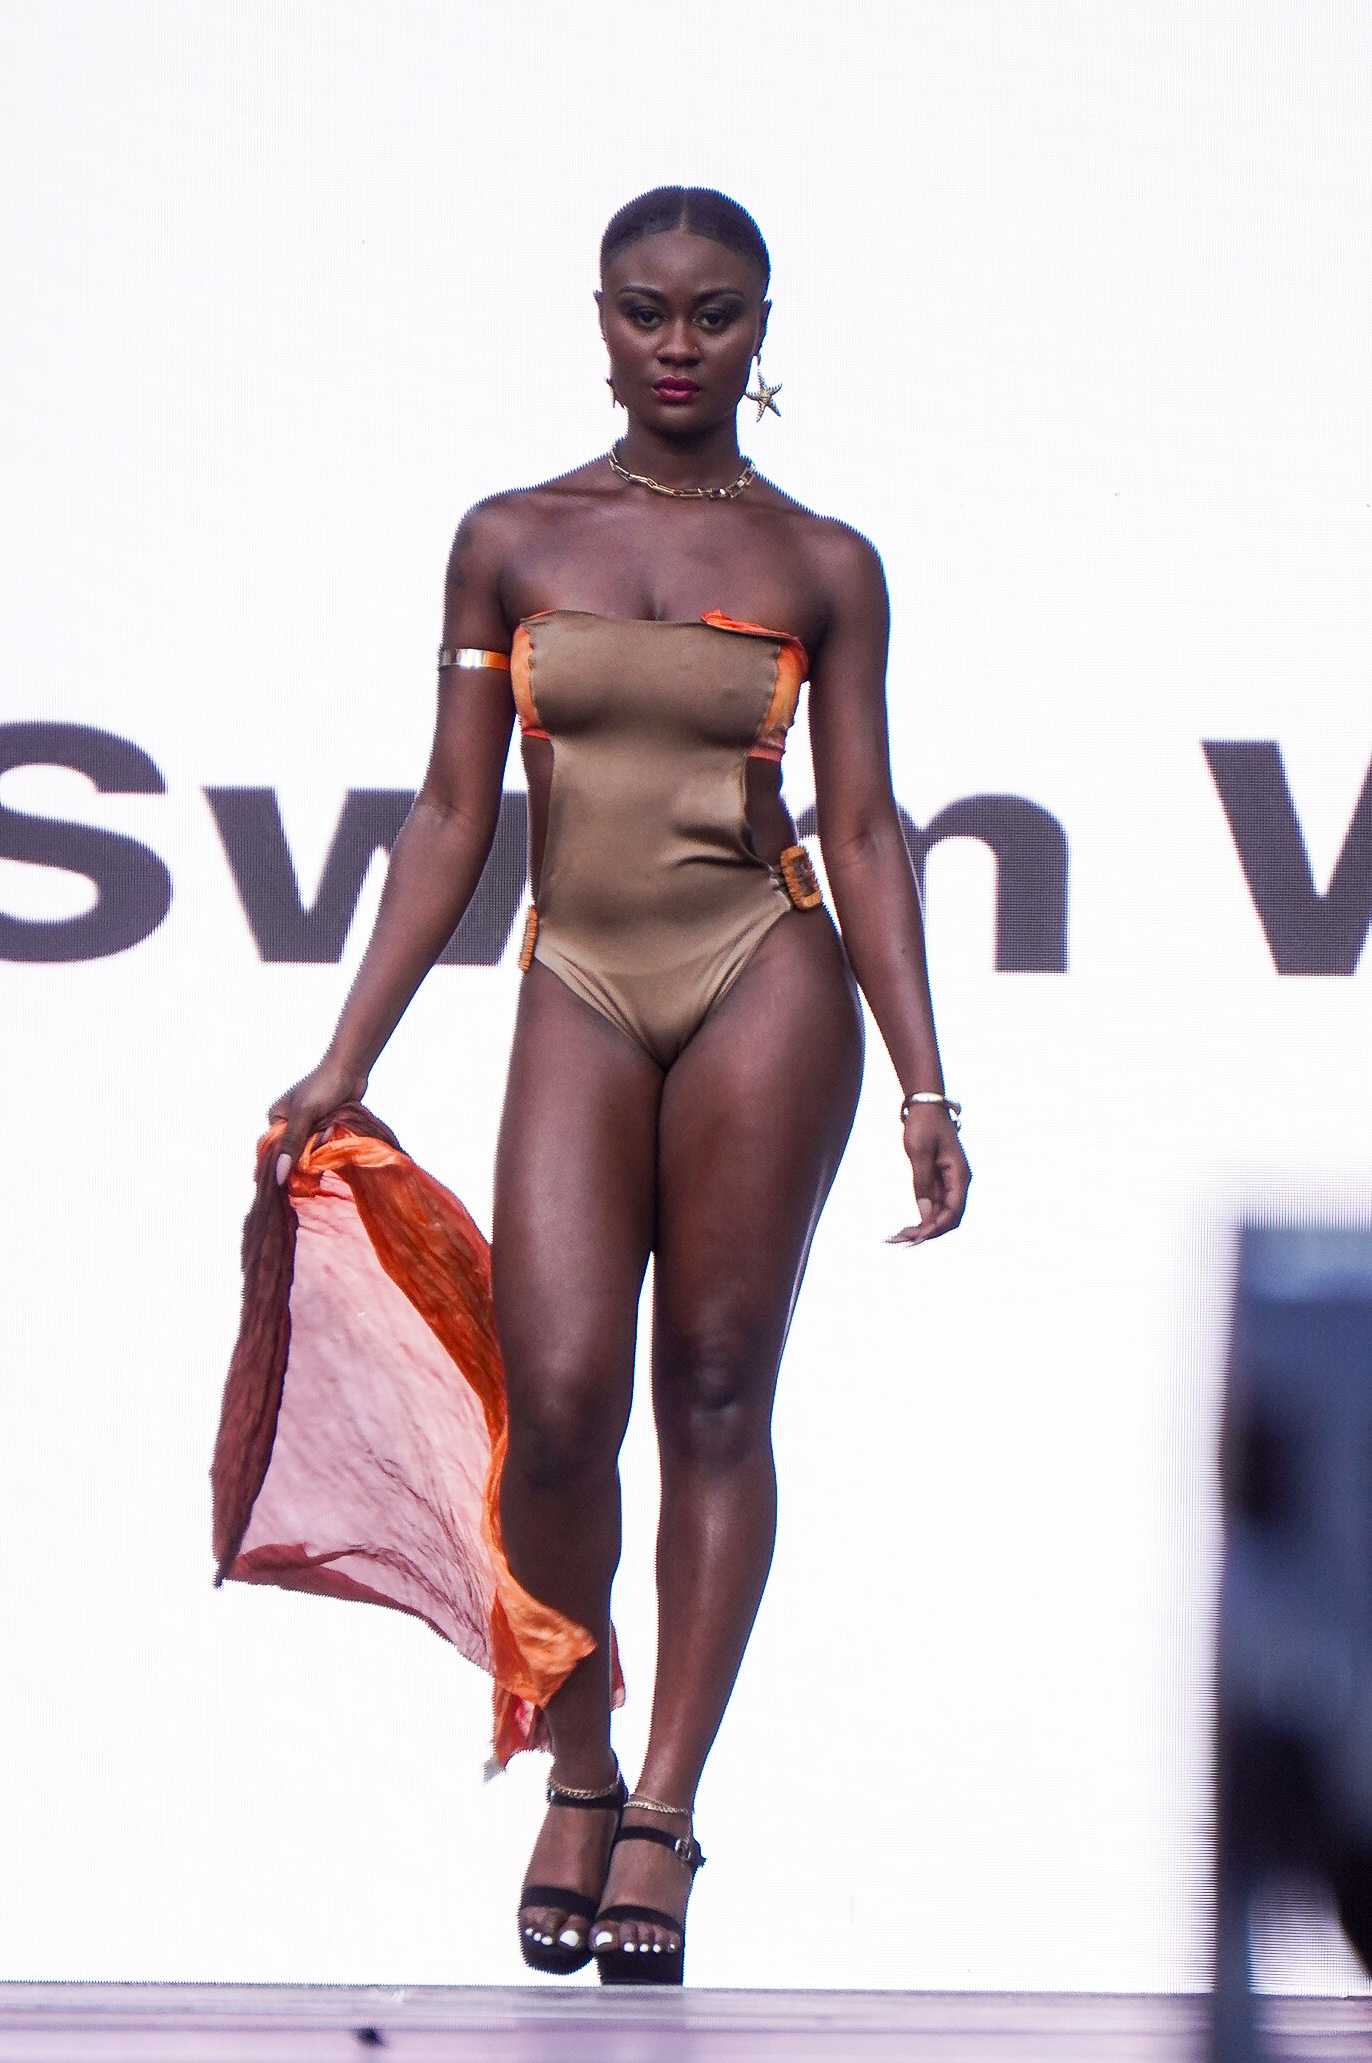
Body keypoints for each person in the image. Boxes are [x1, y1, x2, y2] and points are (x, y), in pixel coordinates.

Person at [268, 185, 970, 1986]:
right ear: (599, 318)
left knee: (715, 1394)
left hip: (764, 976)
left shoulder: (824, 564)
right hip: (577, 979)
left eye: (715, 315)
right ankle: (576, 1764)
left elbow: (866, 827)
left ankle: (663, 1806)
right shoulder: (510, 540)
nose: (678, 345)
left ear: (761, 330)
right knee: (561, 1407)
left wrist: (927, 1084)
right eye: (647, 311)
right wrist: (347, 1054)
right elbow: (451, 812)